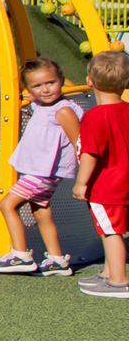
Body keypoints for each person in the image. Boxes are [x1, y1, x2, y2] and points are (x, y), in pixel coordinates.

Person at [0, 57, 82, 275]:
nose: (45, 90)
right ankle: (57, 260)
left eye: (50, 83)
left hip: (43, 173)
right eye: (37, 86)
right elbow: (34, 102)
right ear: (29, 89)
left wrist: (84, 174)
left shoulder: (63, 110)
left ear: (61, 80)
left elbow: (80, 141)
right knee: (41, 212)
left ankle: (20, 255)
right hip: (39, 171)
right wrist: (28, 97)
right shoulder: (40, 104)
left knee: (7, 205)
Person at [72, 49, 129, 298]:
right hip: (122, 182)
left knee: (111, 231)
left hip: (106, 186)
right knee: (109, 228)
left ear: (90, 81)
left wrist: (81, 182)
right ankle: (109, 273)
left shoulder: (95, 116)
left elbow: (90, 154)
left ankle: (119, 280)